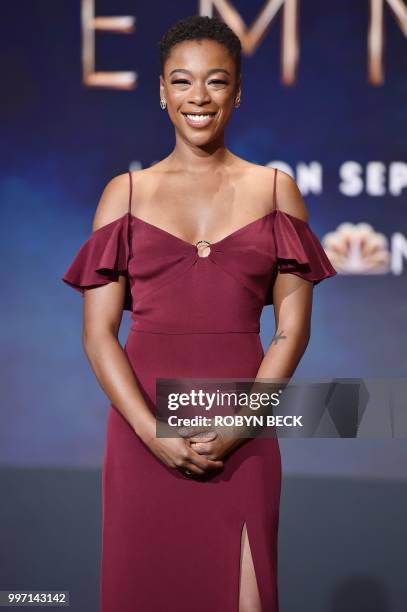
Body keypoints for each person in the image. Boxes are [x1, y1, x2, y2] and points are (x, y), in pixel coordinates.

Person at [62, 14, 337, 612]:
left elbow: (292, 330)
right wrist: (148, 432)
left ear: (238, 92)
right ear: (161, 92)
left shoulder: (274, 190)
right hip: (142, 434)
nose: (199, 97)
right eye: (182, 82)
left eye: (216, 82)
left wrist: (241, 425)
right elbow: (98, 335)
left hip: (244, 436)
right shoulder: (125, 194)